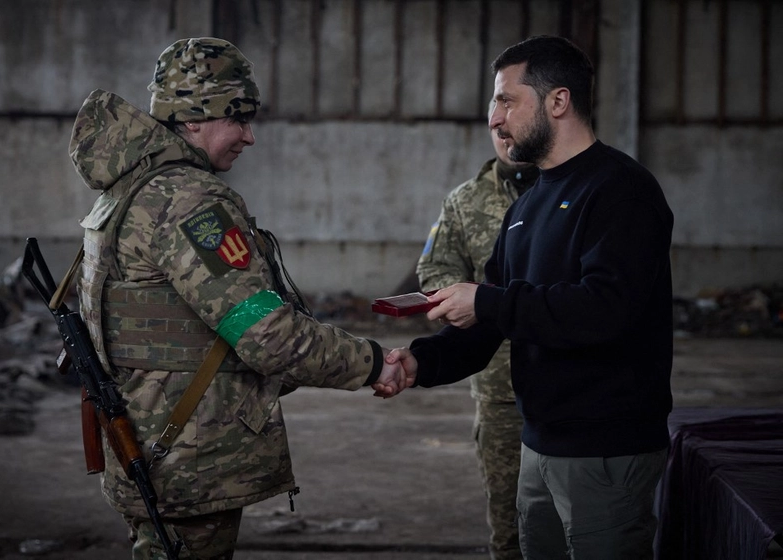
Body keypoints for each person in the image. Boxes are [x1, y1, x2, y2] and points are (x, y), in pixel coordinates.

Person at [68, 37, 409, 559]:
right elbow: (265, 333)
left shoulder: (127, 191)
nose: (249, 136)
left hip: (153, 443)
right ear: (196, 117)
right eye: (239, 117)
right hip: (189, 461)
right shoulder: (187, 200)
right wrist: (371, 363)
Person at [380, 35, 674, 560]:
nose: (494, 116)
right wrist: (420, 362)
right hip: (539, 442)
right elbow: (491, 317)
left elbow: (607, 308)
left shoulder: (620, 190)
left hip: (604, 448)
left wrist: (488, 303)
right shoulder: (530, 203)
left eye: (506, 100)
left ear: (558, 102)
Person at [416, 102, 537, 559]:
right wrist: (461, 299)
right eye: (495, 127)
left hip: (568, 380)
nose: (503, 134)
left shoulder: (570, 191)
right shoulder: (465, 201)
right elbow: (434, 267)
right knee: (509, 525)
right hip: (498, 385)